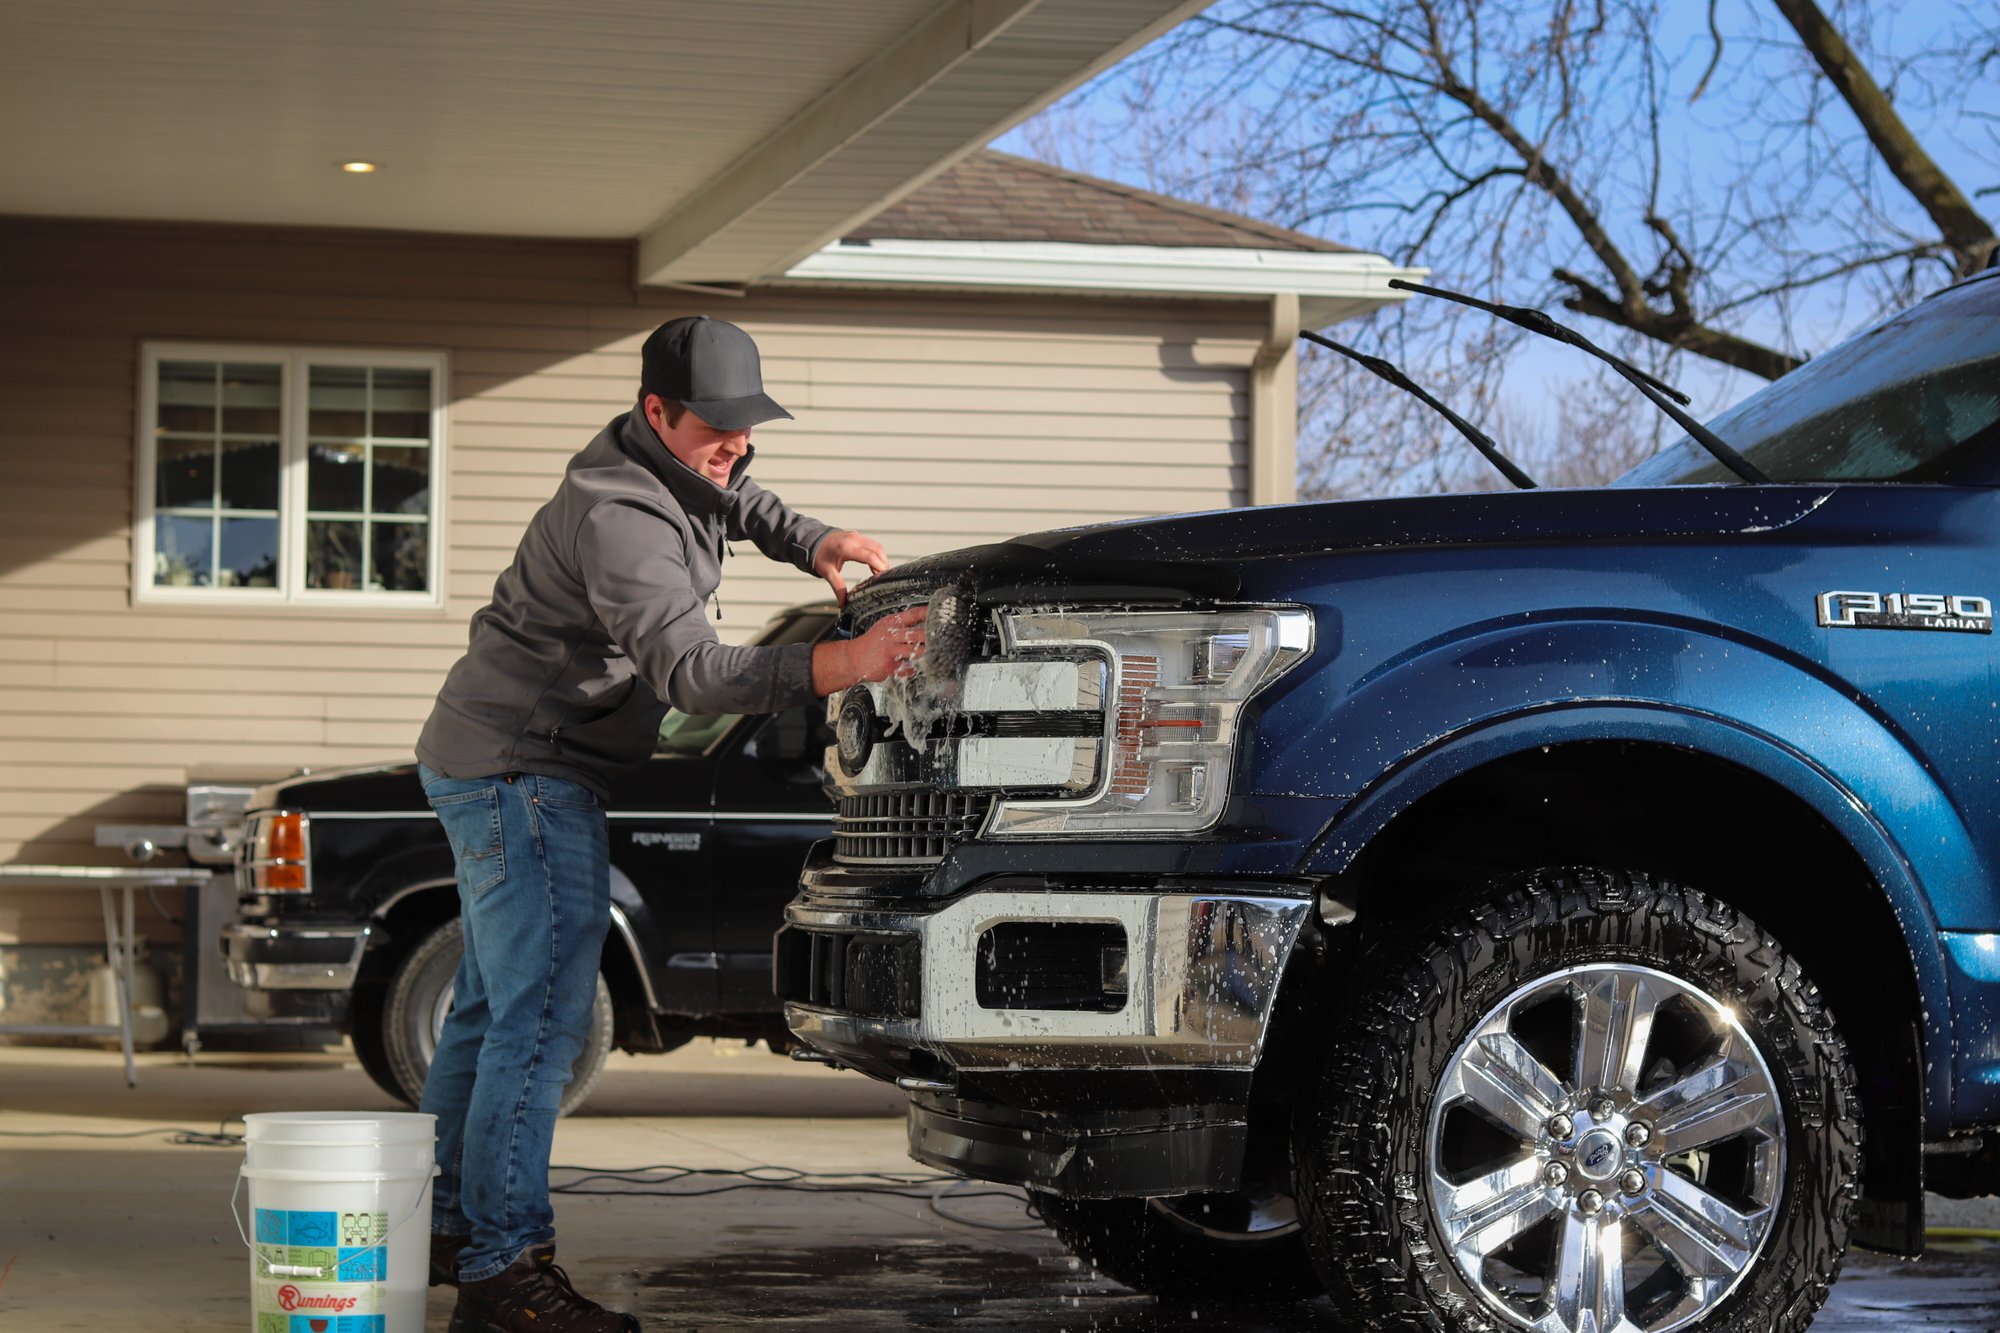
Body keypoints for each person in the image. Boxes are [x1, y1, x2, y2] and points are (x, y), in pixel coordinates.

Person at [412, 315, 925, 1332]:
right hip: (525, 770)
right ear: (657, 411)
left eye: (746, 427)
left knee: (486, 1005)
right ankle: (503, 1271)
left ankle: (443, 1225)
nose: (734, 445)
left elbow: (736, 499)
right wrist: (842, 665)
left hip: (487, 758)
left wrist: (809, 537)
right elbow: (695, 673)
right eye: (716, 427)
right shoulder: (620, 518)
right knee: (542, 1019)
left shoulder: (672, 465)